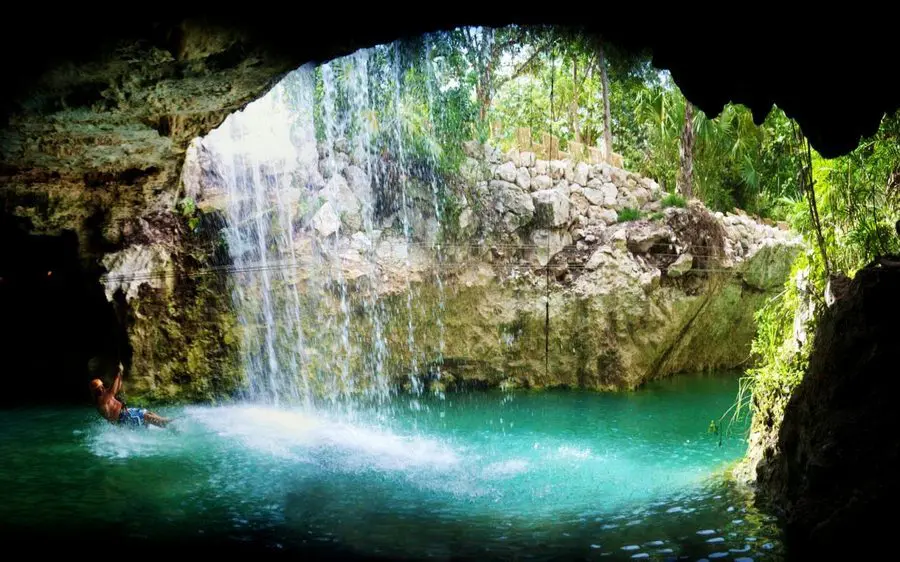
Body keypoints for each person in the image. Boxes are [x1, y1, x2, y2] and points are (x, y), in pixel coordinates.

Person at [90, 363, 171, 428]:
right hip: (123, 418)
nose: (101, 389)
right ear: (95, 391)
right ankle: (166, 423)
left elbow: (117, 387)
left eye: (101, 387)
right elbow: (113, 390)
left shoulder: (104, 394)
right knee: (146, 417)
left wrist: (120, 374)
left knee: (148, 413)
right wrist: (118, 373)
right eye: (98, 388)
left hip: (126, 412)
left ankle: (164, 423)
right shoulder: (101, 401)